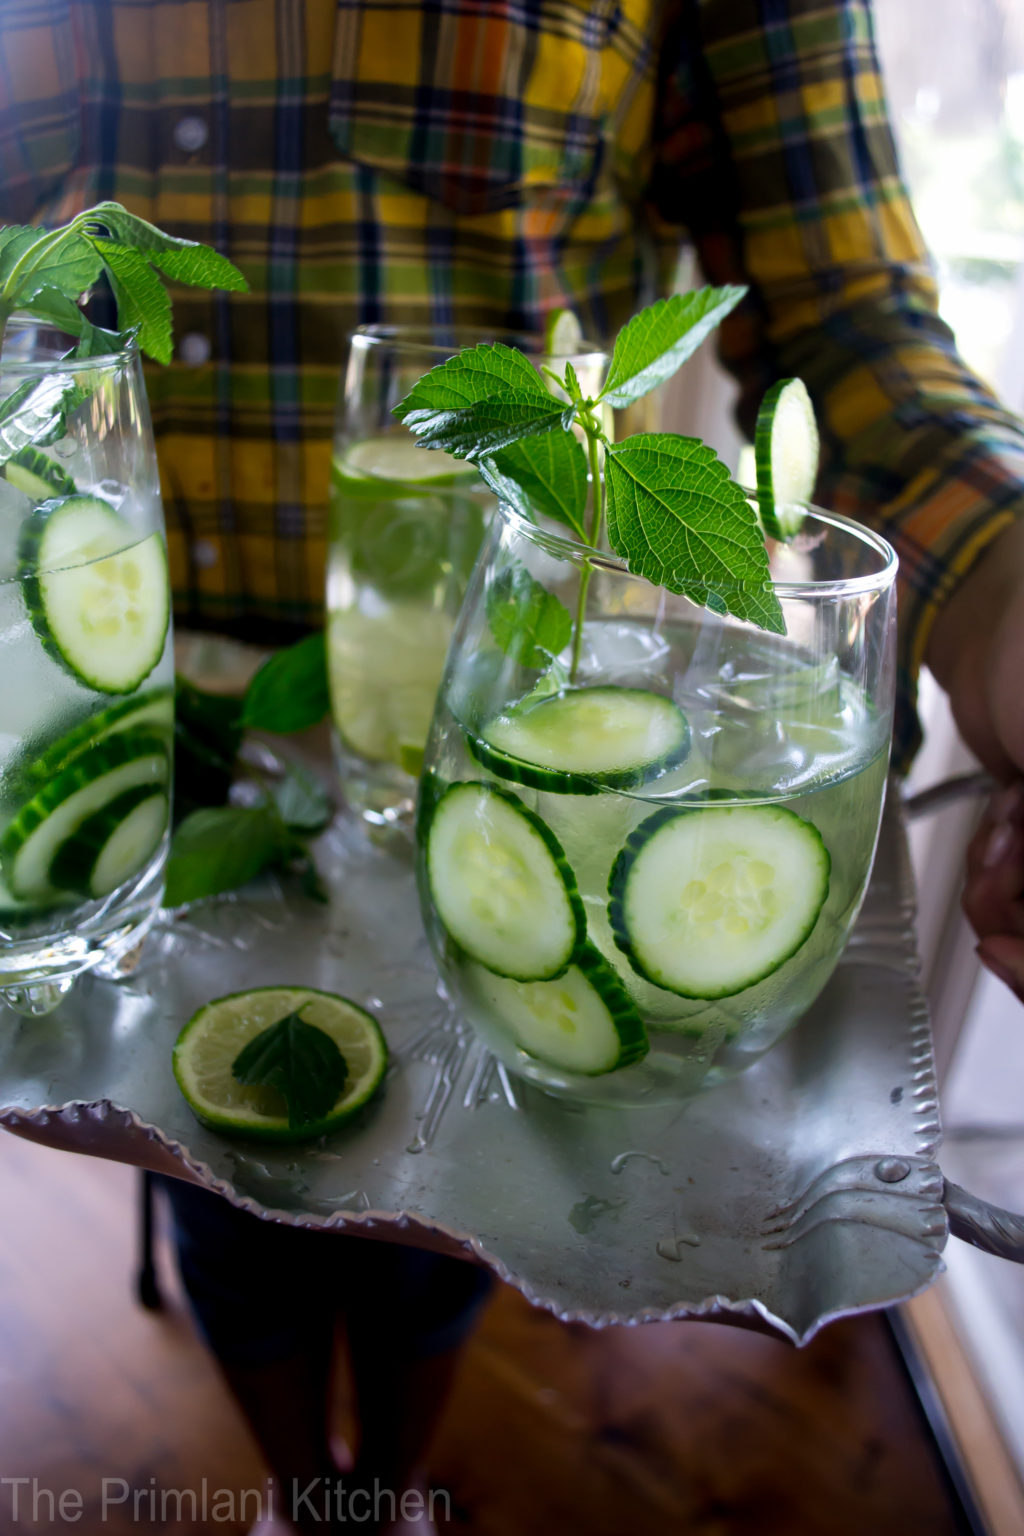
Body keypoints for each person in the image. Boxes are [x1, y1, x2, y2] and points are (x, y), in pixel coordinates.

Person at [2, 0, 1022, 1530]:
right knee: (223, 1202)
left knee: (455, 1213)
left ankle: (390, 1490)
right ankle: (303, 1497)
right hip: (116, 749)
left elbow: (854, 325)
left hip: (507, 731)